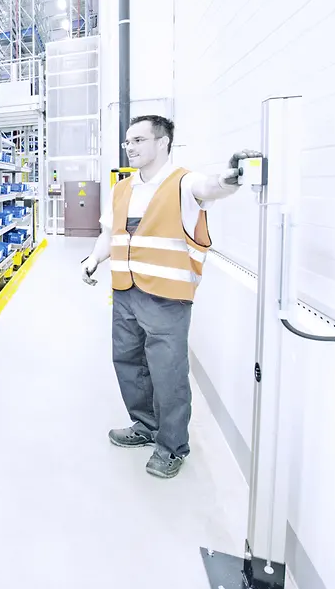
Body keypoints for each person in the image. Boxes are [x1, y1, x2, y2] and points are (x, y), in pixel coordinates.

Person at [80, 115, 261, 479]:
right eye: (128, 141)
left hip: (166, 296)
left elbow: (213, 187)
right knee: (128, 362)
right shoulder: (122, 189)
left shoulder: (183, 182)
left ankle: (172, 446)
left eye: (139, 140)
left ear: (162, 142)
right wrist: (94, 258)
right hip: (125, 291)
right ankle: (145, 426)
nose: (130, 147)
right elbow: (109, 233)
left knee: (168, 371)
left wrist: (231, 178)